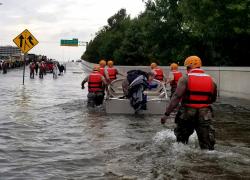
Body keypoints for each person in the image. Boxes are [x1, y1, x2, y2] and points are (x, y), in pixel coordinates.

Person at [161, 55, 217, 150]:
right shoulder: (212, 80)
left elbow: (176, 97)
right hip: (205, 114)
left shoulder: (185, 79)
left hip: (187, 112)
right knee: (207, 146)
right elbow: (213, 99)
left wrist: (166, 114)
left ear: (188, 67)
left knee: (181, 143)